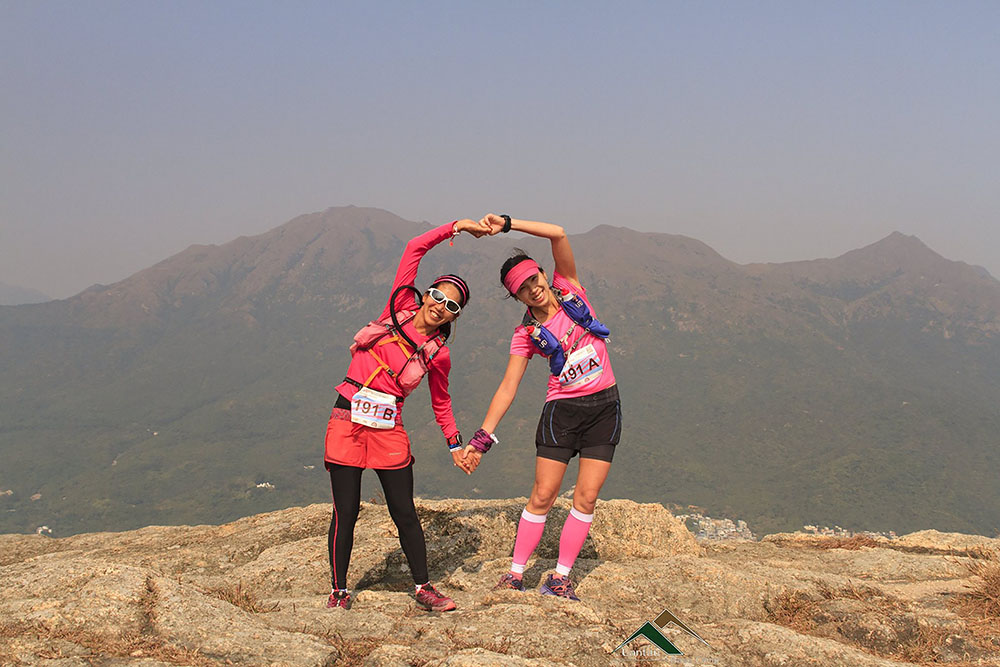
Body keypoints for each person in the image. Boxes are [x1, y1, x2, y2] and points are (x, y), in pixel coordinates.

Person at [325, 218, 489, 611]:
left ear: (454, 317)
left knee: (405, 512)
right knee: (345, 512)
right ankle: (339, 591)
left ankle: (422, 587)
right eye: (437, 295)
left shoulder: (438, 353)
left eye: (451, 306)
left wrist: (456, 445)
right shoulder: (397, 307)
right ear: (426, 293)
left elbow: (441, 402)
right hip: (347, 421)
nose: (440, 306)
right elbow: (414, 248)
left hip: (388, 429)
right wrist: (457, 227)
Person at [461, 214, 621, 602]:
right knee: (543, 495)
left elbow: (560, 233)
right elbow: (508, 386)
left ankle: (560, 578)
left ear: (544, 275)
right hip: (561, 416)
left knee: (586, 498)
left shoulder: (571, 290)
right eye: (521, 288)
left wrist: (508, 223)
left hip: (604, 408)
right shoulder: (525, 334)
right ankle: (515, 574)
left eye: (533, 278)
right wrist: (481, 440)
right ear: (514, 297)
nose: (532, 289)